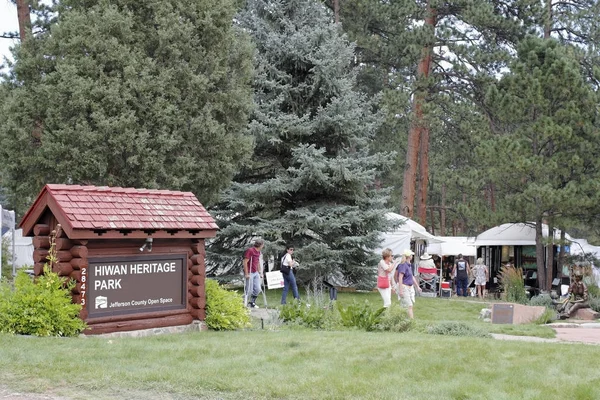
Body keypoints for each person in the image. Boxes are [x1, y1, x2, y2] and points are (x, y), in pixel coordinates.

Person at [394, 249, 420, 318]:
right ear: (409, 256)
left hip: (408, 287)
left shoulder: (409, 265)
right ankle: (412, 322)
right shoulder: (403, 265)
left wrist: (417, 286)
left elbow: (412, 276)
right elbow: (400, 277)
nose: (412, 256)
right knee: (409, 305)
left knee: (403, 307)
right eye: (411, 255)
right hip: (404, 287)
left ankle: (400, 320)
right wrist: (400, 289)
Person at [243, 239, 264, 308]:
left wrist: (260, 272)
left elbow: (257, 261)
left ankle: (252, 302)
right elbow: (245, 262)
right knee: (249, 290)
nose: (263, 246)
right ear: (260, 245)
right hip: (250, 273)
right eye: (263, 245)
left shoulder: (258, 252)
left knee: (258, 289)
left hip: (255, 272)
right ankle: (243, 302)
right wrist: (246, 273)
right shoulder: (250, 250)